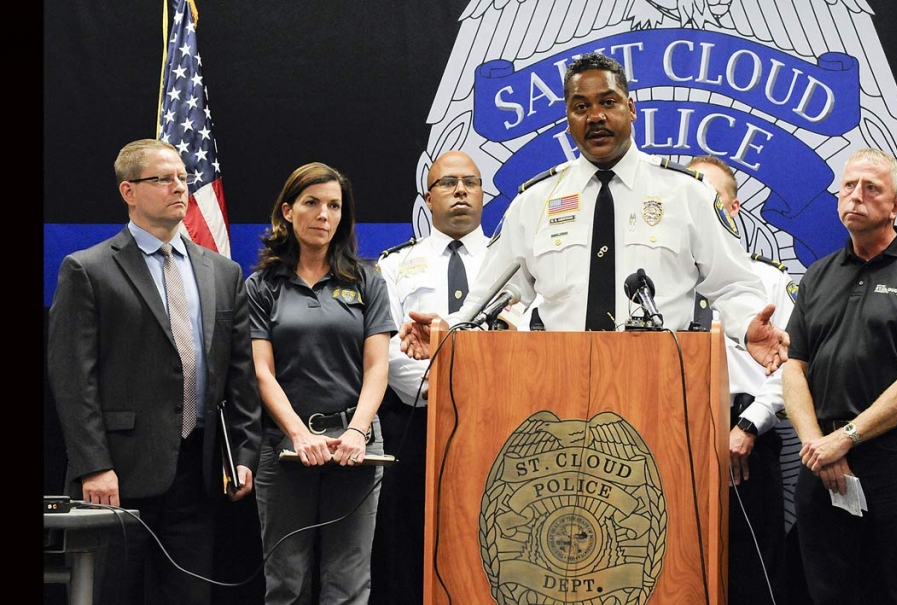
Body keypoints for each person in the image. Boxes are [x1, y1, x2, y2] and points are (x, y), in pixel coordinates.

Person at [398, 53, 788, 373]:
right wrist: (446, 328)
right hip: (557, 379)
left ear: (631, 109)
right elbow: (491, 295)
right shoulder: (534, 202)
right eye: (580, 107)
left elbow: (733, 285)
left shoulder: (687, 194)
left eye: (608, 102)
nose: (595, 116)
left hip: (659, 380)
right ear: (568, 120)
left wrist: (748, 327)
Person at [47, 138, 262, 605]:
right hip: (116, 476)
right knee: (110, 594)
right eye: (162, 179)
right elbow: (72, 380)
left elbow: (240, 374)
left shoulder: (223, 272)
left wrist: (243, 454)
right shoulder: (88, 269)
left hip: (198, 474)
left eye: (183, 178)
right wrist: (94, 465)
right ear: (129, 191)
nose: (178, 187)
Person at [782, 148, 897, 604]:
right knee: (830, 593)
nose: (855, 196)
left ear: (896, 206)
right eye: (848, 186)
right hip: (823, 468)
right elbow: (793, 369)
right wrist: (818, 446)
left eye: (871, 188)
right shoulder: (817, 277)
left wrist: (846, 437)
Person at [246, 162, 396, 604]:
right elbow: (261, 371)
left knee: (348, 584)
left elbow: (378, 369)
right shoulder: (262, 285)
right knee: (286, 581)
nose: (323, 215)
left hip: (356, 444)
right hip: (287, 446)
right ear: (288, 212)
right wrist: (298, 433)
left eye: (334, 205)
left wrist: (357, 431)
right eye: (312, 203)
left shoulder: (367, 280)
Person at [370, 149, 497, 604]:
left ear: (484, 194)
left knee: (494, 535)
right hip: (415, 425)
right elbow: (386, 350)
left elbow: (526, 337)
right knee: (407, 540)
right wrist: (450, 383)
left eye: (470, 182)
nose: (460, 190)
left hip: (496, 424)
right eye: (448, 183)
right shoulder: (394, 264)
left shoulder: (514, 259)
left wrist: (472, 383)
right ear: (428, 197)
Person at [687, 155, 794, 604]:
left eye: (706, 198)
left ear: (732, 210)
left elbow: (789, 364)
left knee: (751, 577)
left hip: (745, 435)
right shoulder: (658, 282)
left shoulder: (766, 280)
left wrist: (747, 426)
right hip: (670, 433)